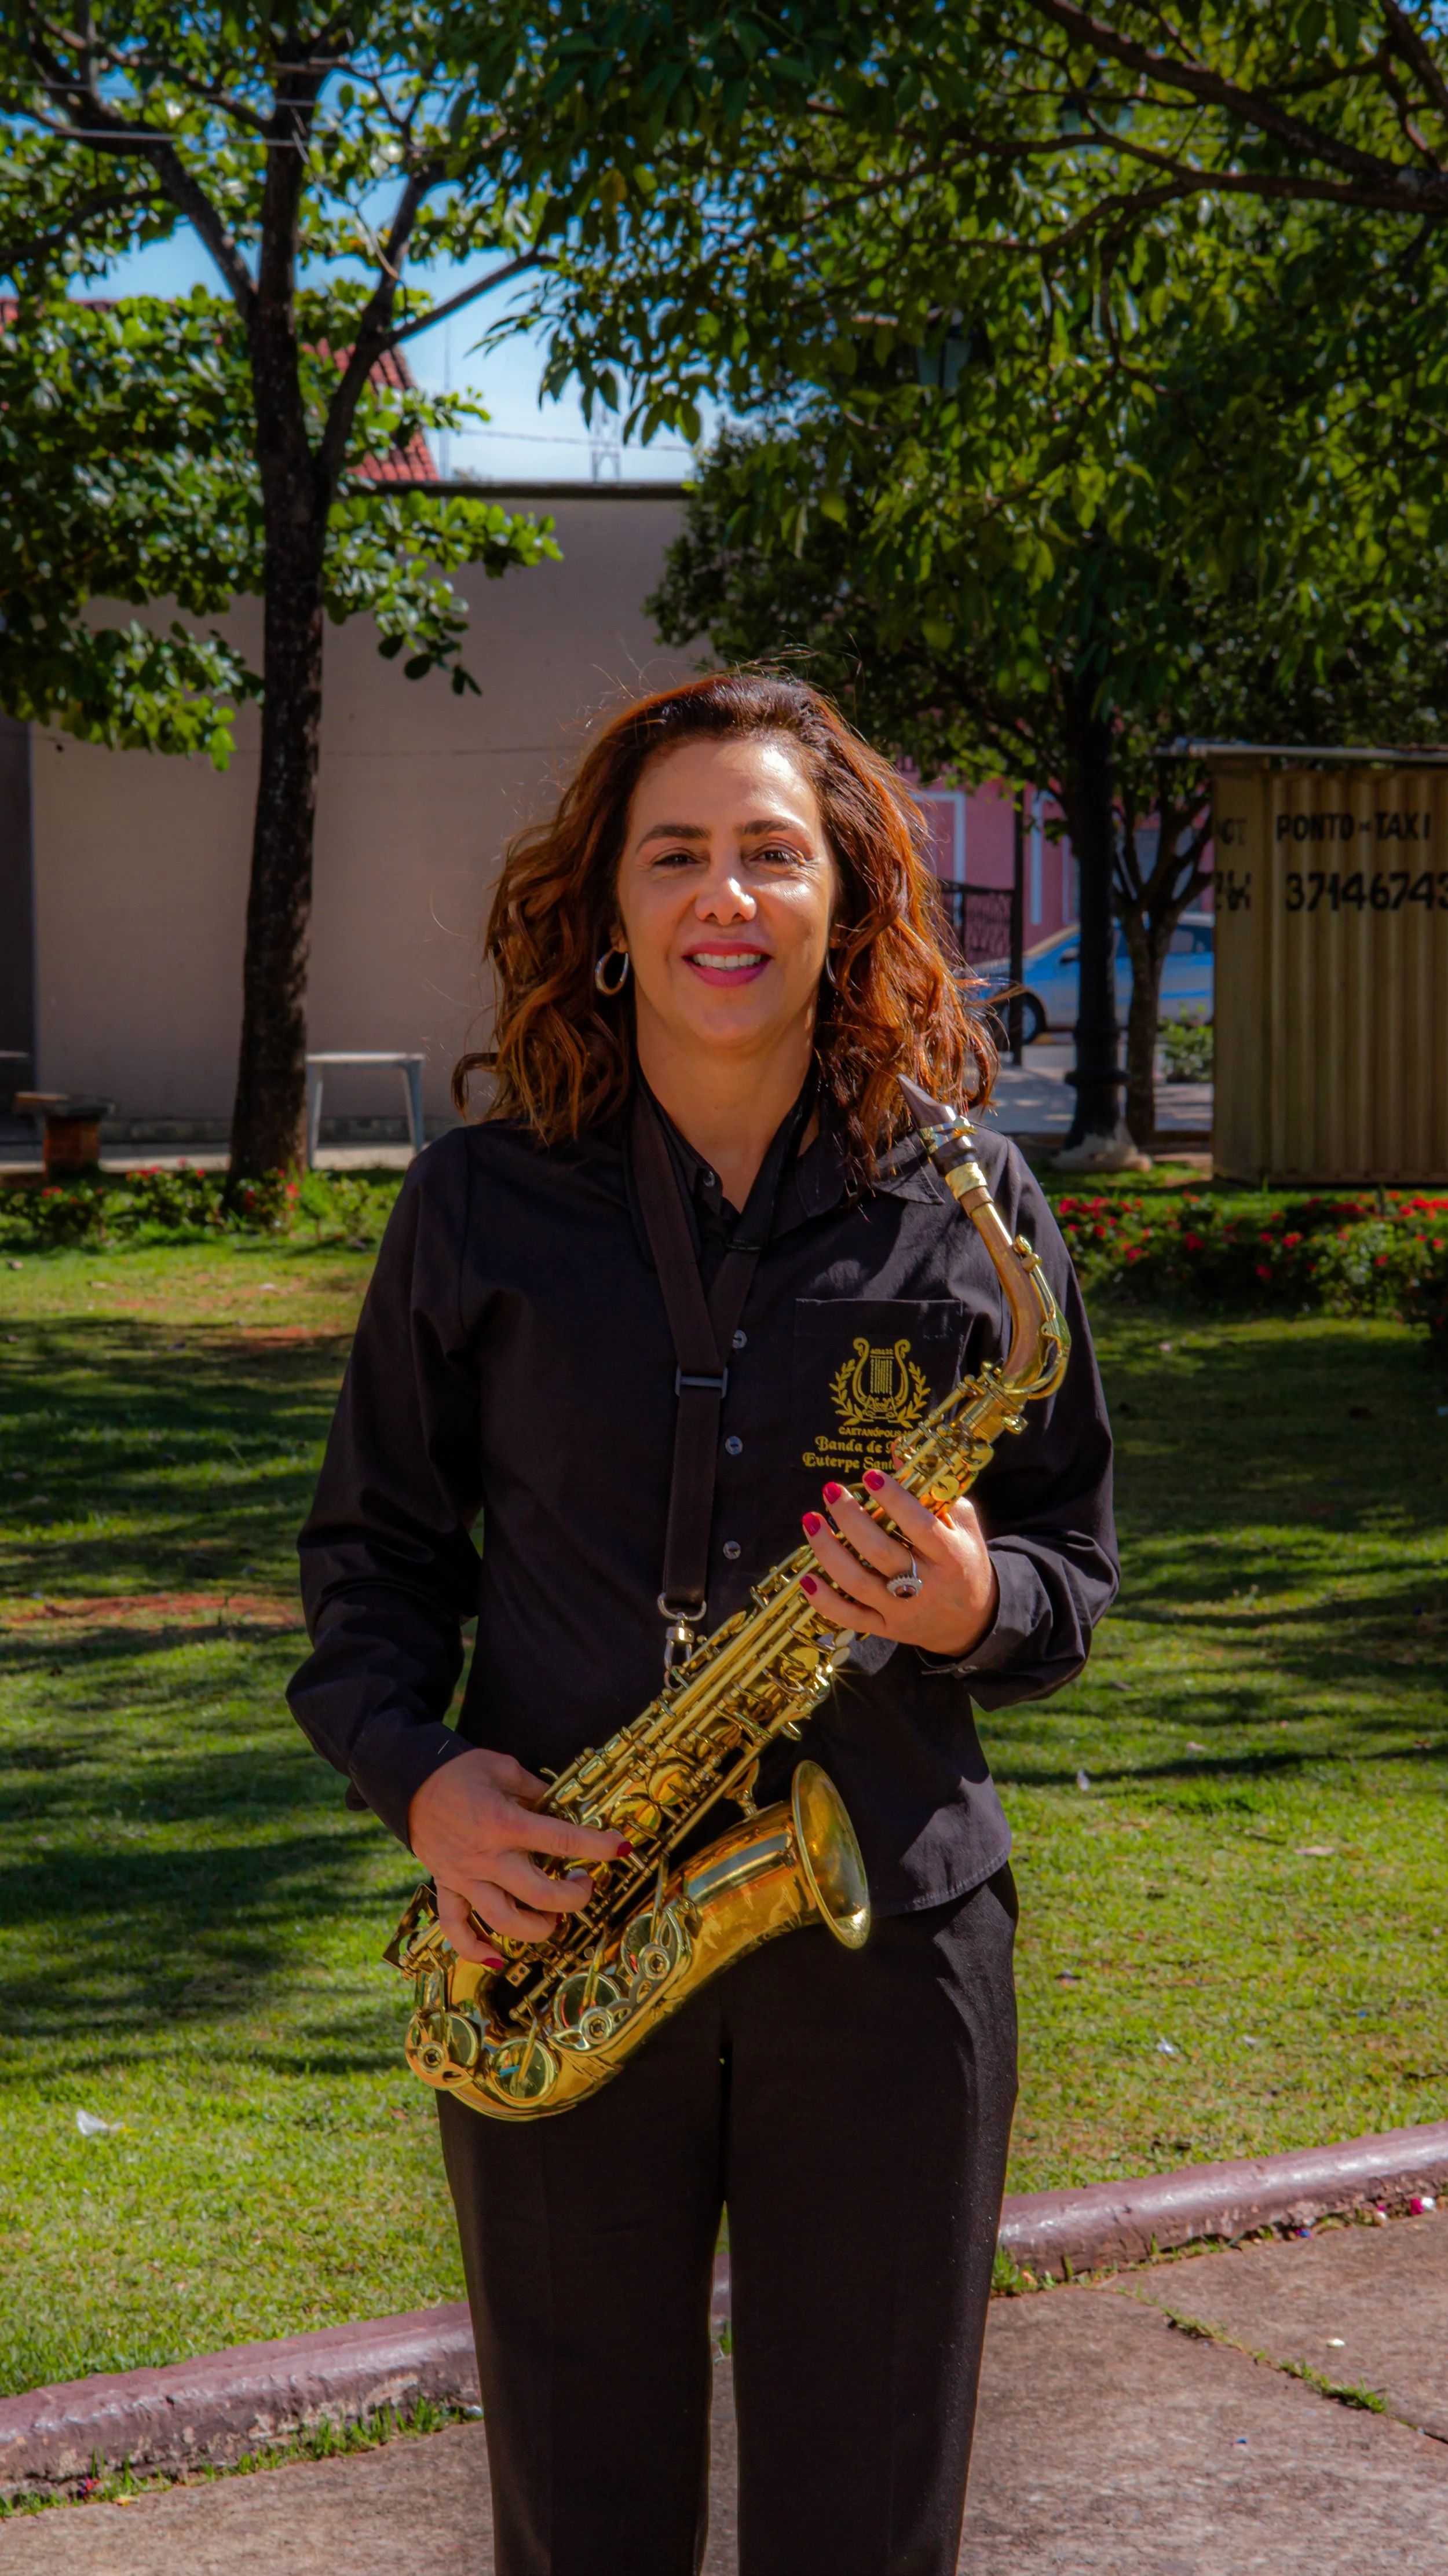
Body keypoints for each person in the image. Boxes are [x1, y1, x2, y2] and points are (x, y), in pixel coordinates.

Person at [288, 673, 1117, 2576]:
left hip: (884, 1945)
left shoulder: (968, 1210)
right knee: (580, 2533)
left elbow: (1074, 1558)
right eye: (676, 856)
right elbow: (369, 1572)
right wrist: (420, 1789)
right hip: (560, 1934)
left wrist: (981, 1599)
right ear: (607, 907)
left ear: (845, 902)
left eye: (771, 853)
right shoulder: (478, 1205)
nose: (722, 899)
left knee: (865, 2529)